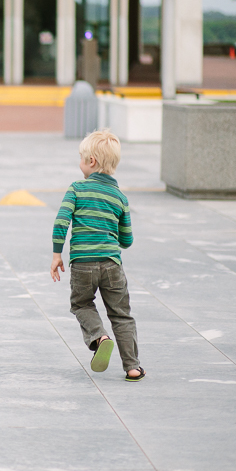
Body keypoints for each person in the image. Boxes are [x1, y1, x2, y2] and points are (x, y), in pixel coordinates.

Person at [50, 130, 145, 382]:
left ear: (91, 161)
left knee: (81, 304)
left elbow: (61, 222)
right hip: (112, 265)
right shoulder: (120, 198)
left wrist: (57, 255)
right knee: (121, 315)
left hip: (82, 264)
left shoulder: (76, 189)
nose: (79, 163)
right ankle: (132, 367)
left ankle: (99, 337)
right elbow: (127, 240)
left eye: (81, 158)